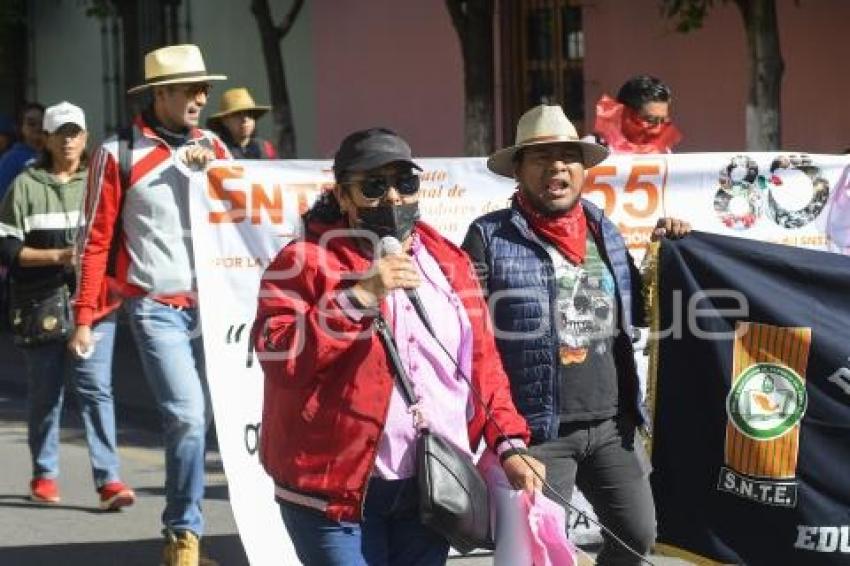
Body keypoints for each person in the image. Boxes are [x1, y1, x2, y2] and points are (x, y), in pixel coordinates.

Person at [251, 127, 545, 565]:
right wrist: (357, 298)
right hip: (333, 493)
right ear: (344, 196)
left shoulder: (450, 261)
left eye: (403, 183)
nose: (391, 197)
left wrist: (509, 443)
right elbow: (280, 356)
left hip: (427, 486)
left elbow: (481, 365)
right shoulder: (305, 260)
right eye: (372, 186)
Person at [463, 104, 690, 565]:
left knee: (637, 537)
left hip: (611, 426)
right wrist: (508, 440)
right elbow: (472, 343)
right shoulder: (489, 237)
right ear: (519, 171)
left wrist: (666, 251)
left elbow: (640, 311)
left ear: (583, 169)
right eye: (542, 157)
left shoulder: (602, 227)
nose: (557, 166)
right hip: (539, 433)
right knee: (537, 555)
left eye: (568, 156)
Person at [69, 44, 230, 565]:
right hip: (154, 306)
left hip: (218, 308)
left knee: (223, 421)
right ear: (161, 93)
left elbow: (247, 219)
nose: (201, 98)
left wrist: (220, 177)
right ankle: (184, 536)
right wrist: (84, 316)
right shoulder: (118, 152)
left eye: (204, 89)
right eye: (190, 89)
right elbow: (95, 240)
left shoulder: (215, 147)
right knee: (186, 415)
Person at [0, 101, 134, 510]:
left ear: (86, 137)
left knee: (96, 390)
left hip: (96, 305)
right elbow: (7, 247)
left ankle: (109, 480)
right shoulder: (26, 185)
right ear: (47, 139)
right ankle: (44, 474)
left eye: (76, 132)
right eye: (62, 133)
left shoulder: (103, 180)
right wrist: (59, 258)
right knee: (46, 393)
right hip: (40, 304)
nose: (70, 139)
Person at [590, 75, 681, 154]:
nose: (657, 130)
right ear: (623, 114)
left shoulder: (662, 153)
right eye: (650, 120)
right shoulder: (591, 150)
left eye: (662, 121)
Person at [206, 87, 277, 159]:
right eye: (237, 114)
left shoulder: (266, 148)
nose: (245, 119)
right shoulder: (215, 150)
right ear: (225, 121)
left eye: (249, 114)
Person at [0, 102, 46, 199]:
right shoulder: (11, 159)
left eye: (42, 123)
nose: (38, 127)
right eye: (31, 124)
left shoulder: (56, 154)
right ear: (21, 127)